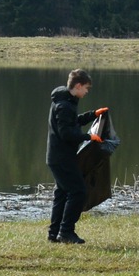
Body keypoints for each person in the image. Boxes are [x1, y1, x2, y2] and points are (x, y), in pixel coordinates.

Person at [46, 69, 103, 244]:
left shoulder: (66, 101)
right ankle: (66, 232)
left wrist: (92, 115)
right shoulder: (64, 105)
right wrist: (89, 137)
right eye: (86, 88)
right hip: (62, 158)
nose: (86, 92)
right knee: (78, 192)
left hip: (58, 157)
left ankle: (53, 234)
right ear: (78, 86)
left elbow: (73, 122)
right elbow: (66, 133)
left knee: (62, 194)